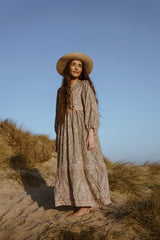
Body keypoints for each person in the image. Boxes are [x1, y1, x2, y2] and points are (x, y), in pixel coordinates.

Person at [54, 52, 111, 217]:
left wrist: (91, 133)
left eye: (80, 65)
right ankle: (85, 202)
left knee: (87, 164)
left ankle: (87, 204)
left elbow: (92, 109)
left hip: (82, 130)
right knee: (73, 166)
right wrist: (58, 136)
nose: (77, 68)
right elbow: (57, 115)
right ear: (68, 68)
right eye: (74, 64)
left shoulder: (85, 85)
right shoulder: (60, 91)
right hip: (66, 132)